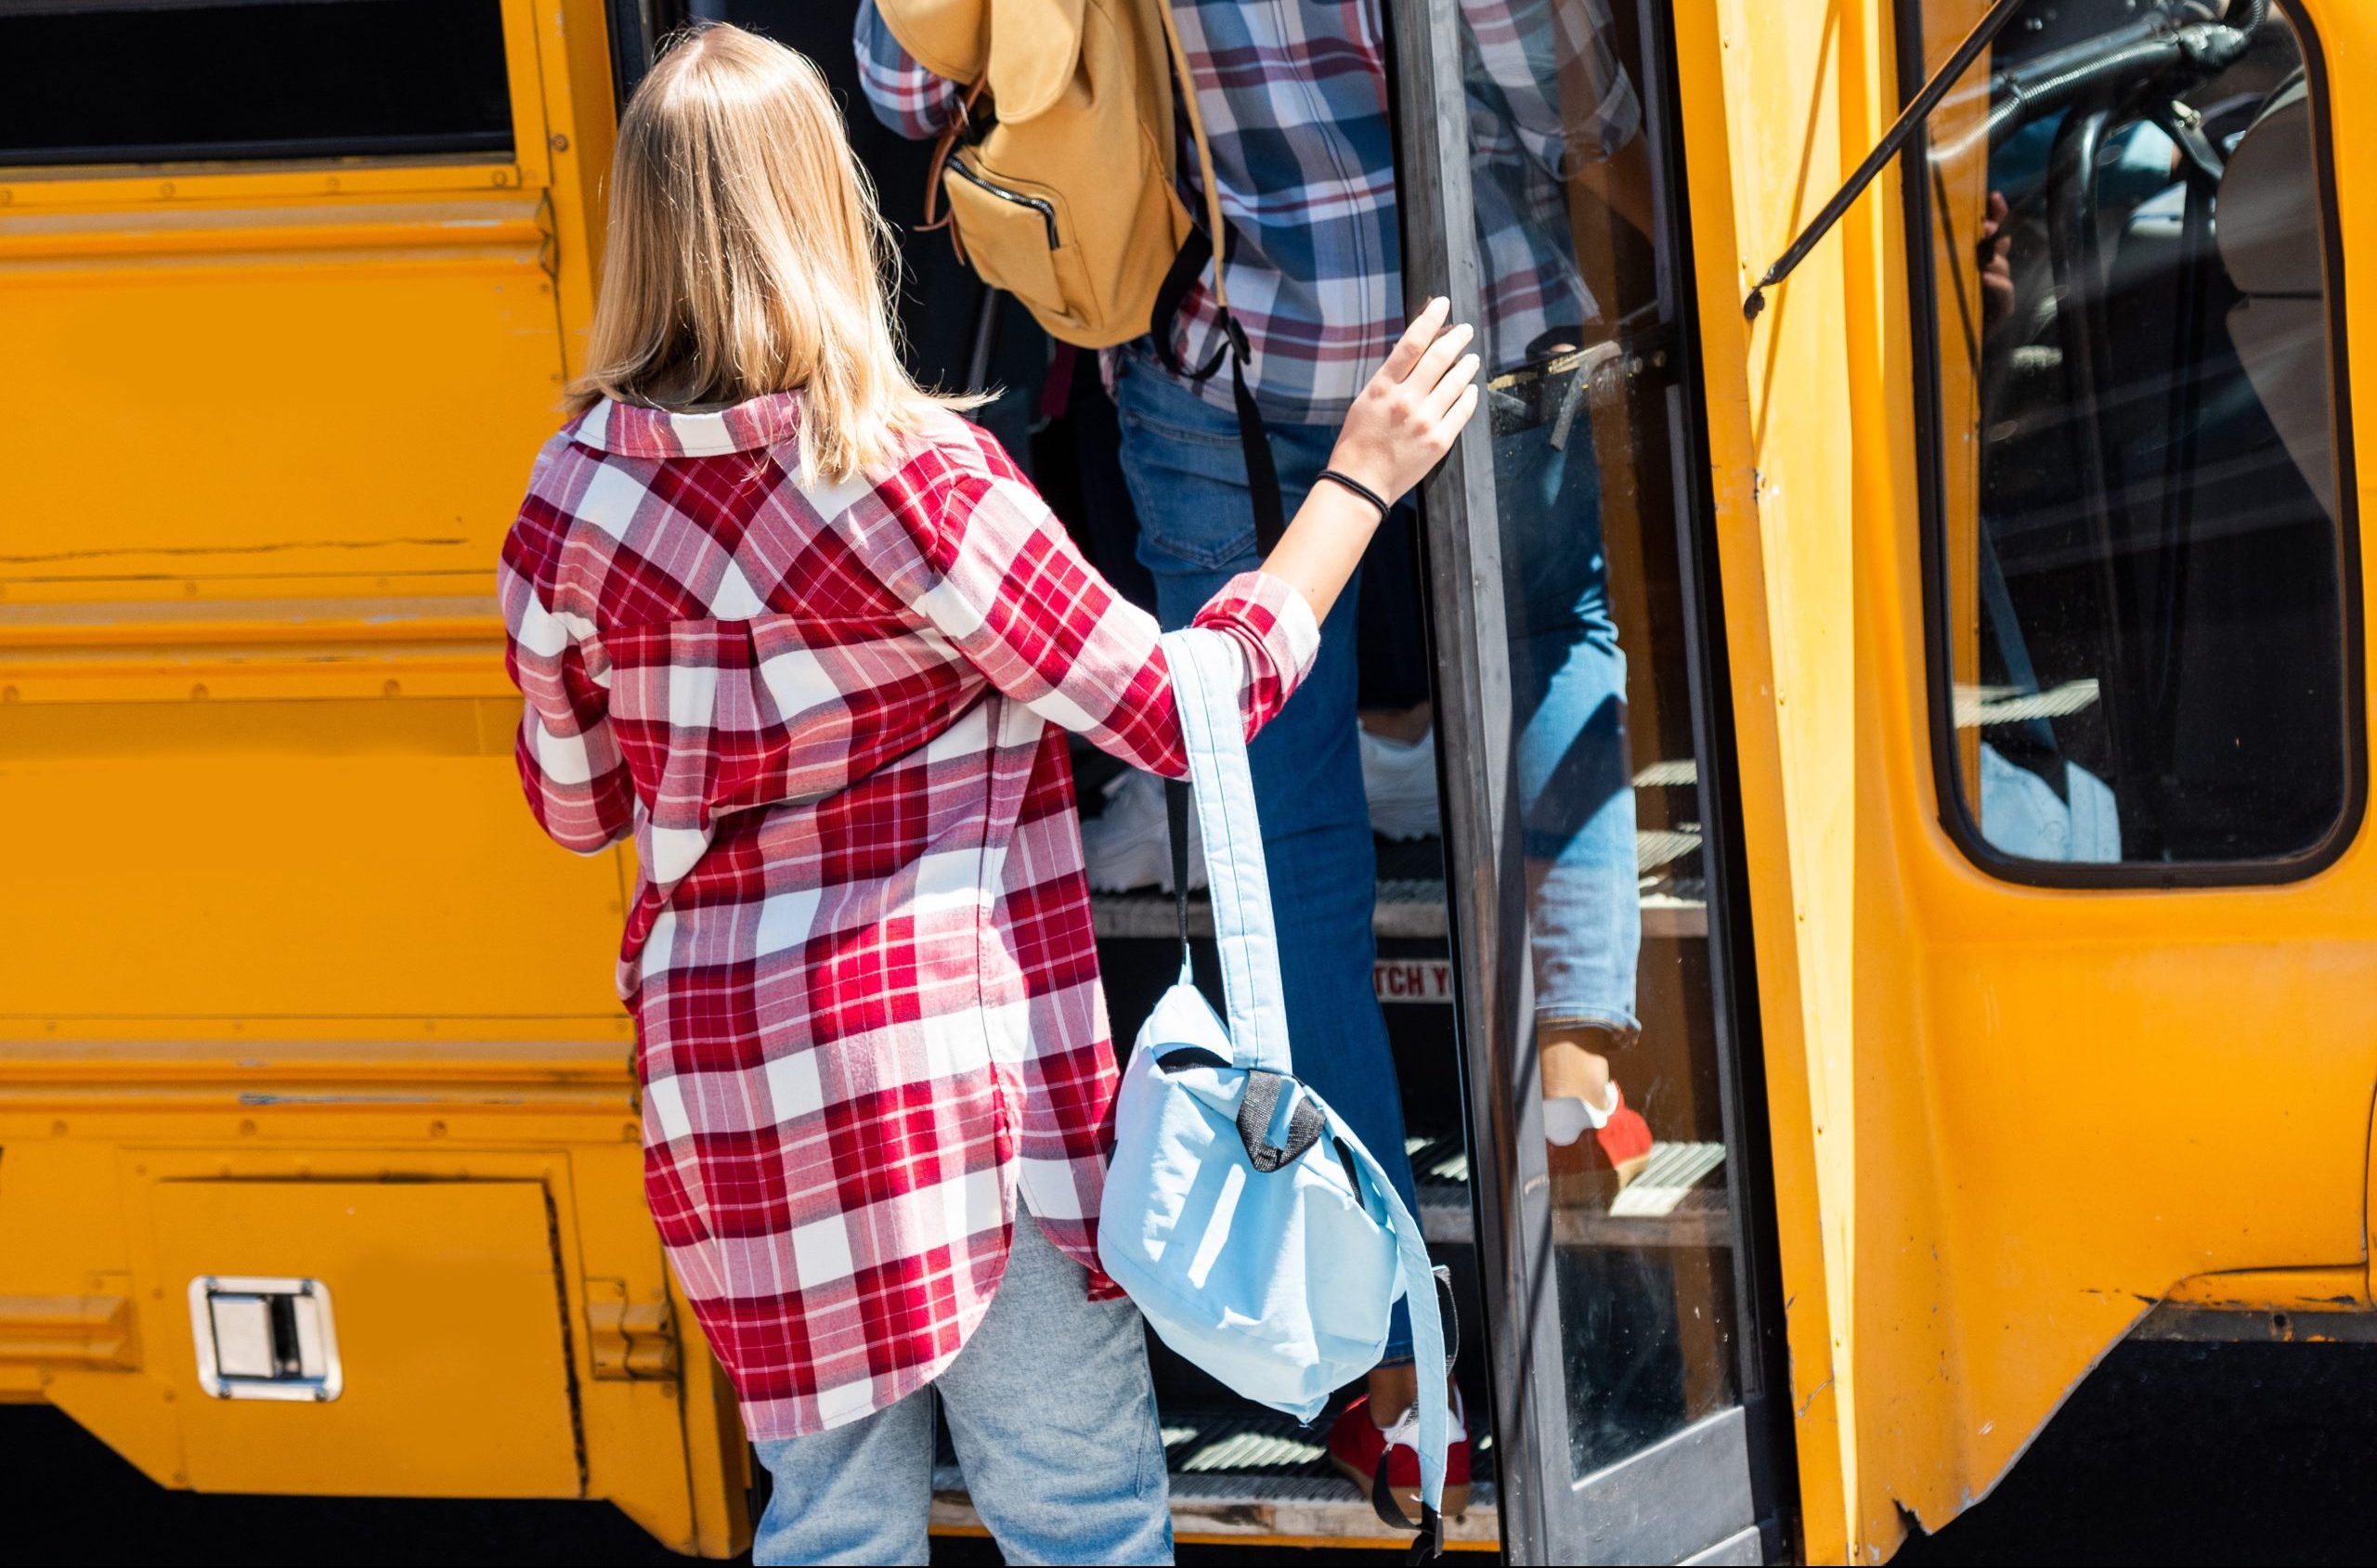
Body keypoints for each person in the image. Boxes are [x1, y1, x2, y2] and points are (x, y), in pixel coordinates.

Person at [498, 24, 1479, 1566]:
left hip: (735, 1099)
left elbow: (574, 804)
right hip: (959, 1090)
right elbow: (1176, 708)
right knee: (1077, 1517)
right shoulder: (920, 480)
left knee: (831, 1530)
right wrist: (1354, 484)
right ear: (824, 205)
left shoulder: (567, 503)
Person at [857, 0, 1656, 1489]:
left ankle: (1391, 1374)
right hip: (1464, 321)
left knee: (1284, 832)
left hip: (1218, 362)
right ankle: (1572, 1046)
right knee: (1557, 633)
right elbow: (1542, 84)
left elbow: (907, 77)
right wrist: (1634, 164)